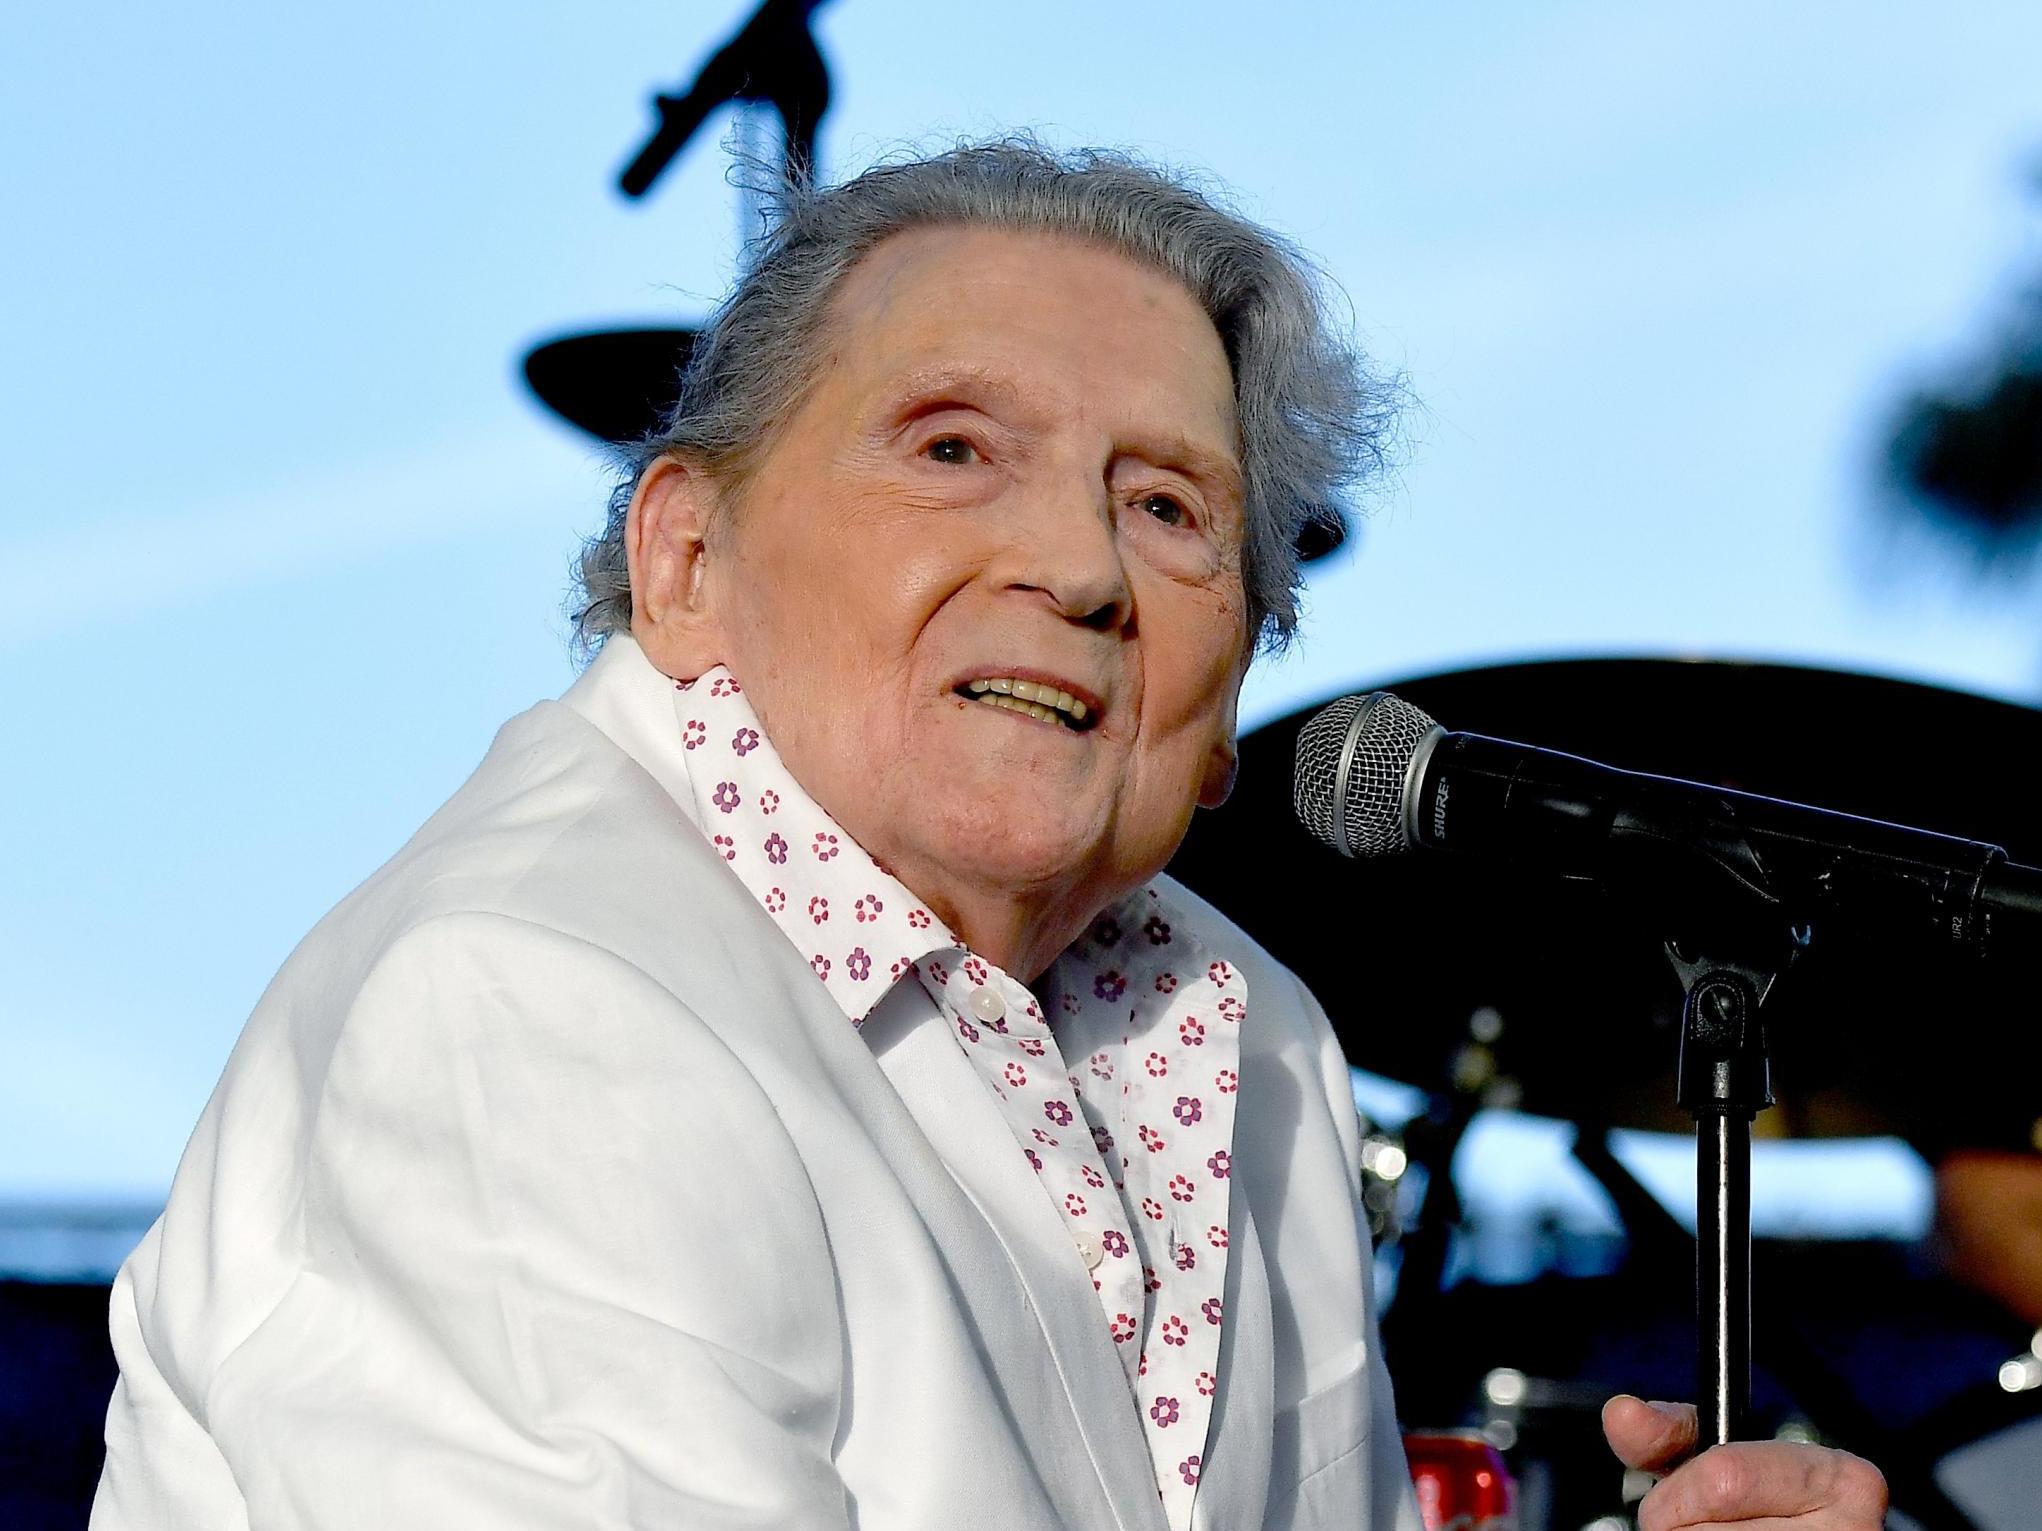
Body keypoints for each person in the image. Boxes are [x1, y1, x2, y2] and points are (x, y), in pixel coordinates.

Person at [91, 141, 1888, 1531]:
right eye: (952, 451)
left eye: (1170, 508)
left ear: (1231, 697)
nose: (1081, 568)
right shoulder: (529, 1002)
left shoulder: (1255, 1038)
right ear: (685, 562)